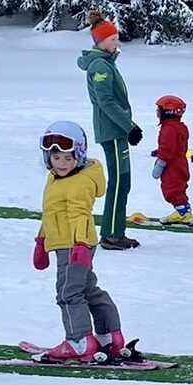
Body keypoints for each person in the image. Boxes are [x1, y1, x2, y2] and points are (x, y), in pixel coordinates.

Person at [30, 121, 136, 363]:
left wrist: (79, 245)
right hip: (65, 242)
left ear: (79, 156)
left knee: (68, 293)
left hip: (74, 245)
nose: (62, 163)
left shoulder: (79, 183)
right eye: (56, 157)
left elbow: (79, 213)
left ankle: (78, 341)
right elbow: (51, 212)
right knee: (88, 289)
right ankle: (110, 336)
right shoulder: (55, 178)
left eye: (68, 158)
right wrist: (41, 240)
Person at [78, 10, 142, 250]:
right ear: (101, 42)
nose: (118, 43)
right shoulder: (99, 67)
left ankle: (115, 231)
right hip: (113, 131)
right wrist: (129, 126)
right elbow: (106, 102)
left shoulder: (106, 63)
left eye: (117, 38)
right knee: (119, 183)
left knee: (123, 182)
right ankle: (111, 235)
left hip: (118, 130)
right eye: (113, 39)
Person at [151, 95, 193, 225]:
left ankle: (182, 212)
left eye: (159, 110)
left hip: (172, 166)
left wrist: (160, 164)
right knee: (179, 187)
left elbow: (167, 149)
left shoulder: (168, 129)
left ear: (168, 112)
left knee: (172, 188)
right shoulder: (179, 127)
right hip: (180, 164)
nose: (157, 113)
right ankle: (183, 210)